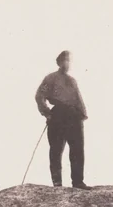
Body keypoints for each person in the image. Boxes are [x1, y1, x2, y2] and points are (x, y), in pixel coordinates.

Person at [35, 50, 91, 189]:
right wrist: (47, 113)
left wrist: (82, 115)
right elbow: (39, 96)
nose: (67, 63)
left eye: (69, 61)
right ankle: (57, 183)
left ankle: (78, 181)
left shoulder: (72, 81)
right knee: (56, 149)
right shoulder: (50, 78)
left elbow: (79, 100)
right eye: (64, 60)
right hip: (58, 115)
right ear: (59, 62)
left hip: (74, 116)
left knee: (78, 149)